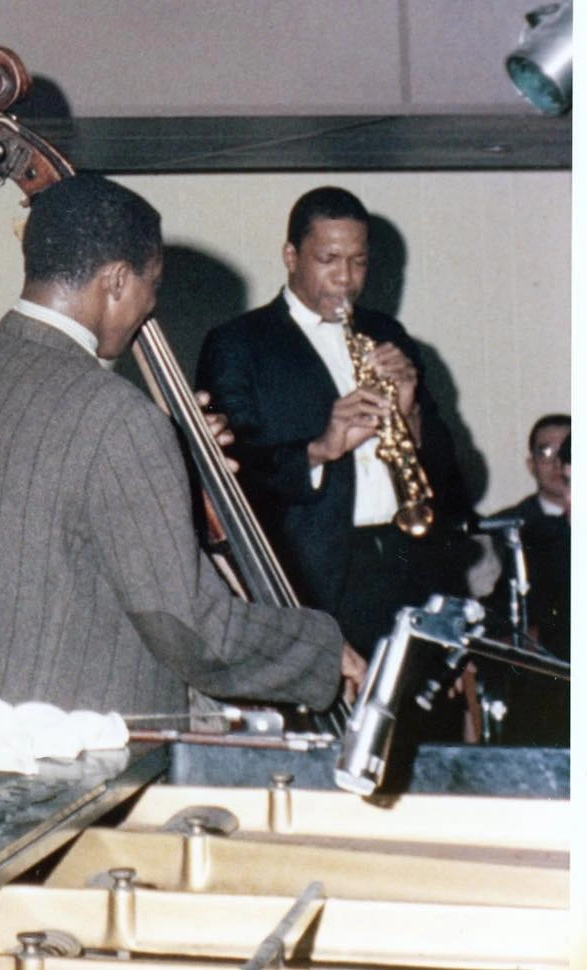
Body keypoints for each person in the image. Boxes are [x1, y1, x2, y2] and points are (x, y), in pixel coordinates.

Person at [0, 173, 362, 724]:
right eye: (152, 285)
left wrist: (170, 473)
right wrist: (324, 652)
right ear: (114, 281)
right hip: (74, 750)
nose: (151, 308)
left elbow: (58, 522)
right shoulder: (118, 419)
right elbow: (196, 631)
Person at [196, 186, 474, 662]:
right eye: (328, 259)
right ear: (291, 255)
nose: (345, 279)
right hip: (314, 582)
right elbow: (232, 475)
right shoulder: (239, 344)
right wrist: (320, 449)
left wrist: (410, 414)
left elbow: (451, 476)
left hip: (408, 564)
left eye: (359, 261)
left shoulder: (388, 334)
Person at [484, 414, 570, 745]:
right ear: (531, 464)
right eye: (546, 452)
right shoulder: (503, 530)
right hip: (532, 670)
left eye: (568, 451)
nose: (559, 462)